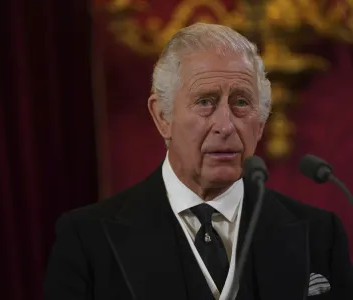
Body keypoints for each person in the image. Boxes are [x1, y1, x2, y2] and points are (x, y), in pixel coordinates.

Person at [43, 23, 353, 300]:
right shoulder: (87, 239)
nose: (226, 125)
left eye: (242, 102)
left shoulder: (319, 234)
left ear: (260, 123)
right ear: (162, 116)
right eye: (205, 102)